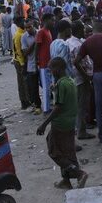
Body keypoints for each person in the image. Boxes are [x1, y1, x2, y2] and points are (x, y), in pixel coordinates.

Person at [36, 57, 88, 190]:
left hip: (61, 123)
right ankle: (66, 180)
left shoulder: (61, 84)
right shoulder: (69, 81)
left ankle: (79, 173)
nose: (50, 72)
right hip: (70, 122)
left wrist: (44, 123)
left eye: (51, 69)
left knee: (54, 150)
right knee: (68, 151)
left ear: (57, 69)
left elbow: (58, 107)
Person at [75, 21, 102, 147]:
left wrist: (86, 76)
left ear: (93, 29)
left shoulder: (87, 42)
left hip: (96, 75)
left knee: (99, 106)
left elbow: (76, 61)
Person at [67, 20, 95, 140]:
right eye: (83, 29)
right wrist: (87, 77)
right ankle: (82, 131)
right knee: (82, 105)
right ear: (78, 30)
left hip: (75, 78)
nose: (85, 31)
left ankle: (79, 129)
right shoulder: (77, 45)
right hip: (81, 79)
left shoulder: (69, 42)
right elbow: (78, 63)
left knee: (78, 105)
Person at [21, 20, 42, 114]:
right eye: (26, 28)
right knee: (34, 87)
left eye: (30, 27)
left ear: (33, 26)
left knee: (45, 84)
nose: (28, 29)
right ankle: (37, 105)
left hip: (42, 64)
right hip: (31, 65)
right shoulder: (24, 37)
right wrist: (34, 42)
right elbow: (25, 53)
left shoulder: (40, 32)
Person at [36, 13, 54, 113]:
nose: (53, 22)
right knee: (46, 87)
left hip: (49, 62)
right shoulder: (41, 32)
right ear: (46, 20)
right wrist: (36, 61)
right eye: (52, 20)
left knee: (49, 86)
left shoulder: (48, 31)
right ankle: (46, 109)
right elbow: (37, 46)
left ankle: (48, 106)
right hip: (43, 63)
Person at [12, 17, 30, 110]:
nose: (25, 23)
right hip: (19, 62)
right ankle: (24, 102)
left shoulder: (21, 33)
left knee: (23, 82)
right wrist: (23, 64)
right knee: (22, 83)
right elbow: (18, 51)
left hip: (19, 61)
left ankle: (26, 100)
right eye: (23, 21)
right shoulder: (19, 34)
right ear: (19, 23)